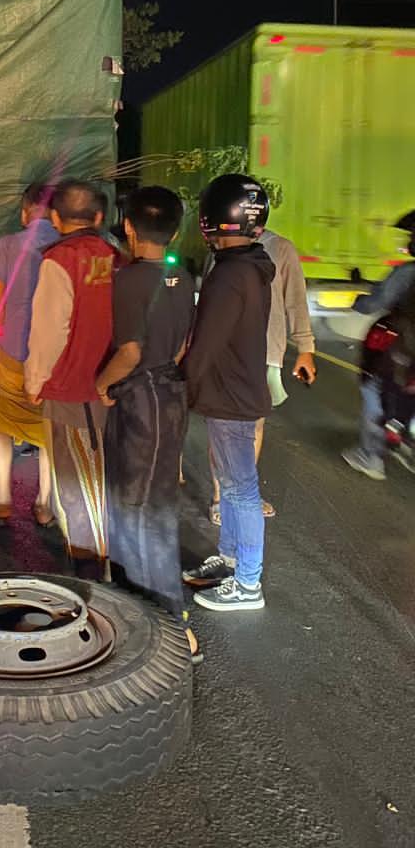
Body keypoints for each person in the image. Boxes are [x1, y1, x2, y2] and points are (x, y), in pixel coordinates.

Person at [95, 187, 200, 662]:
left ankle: (173, 626)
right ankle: (137, 612)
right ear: (175, 232)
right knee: (150, 504)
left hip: (141, 400)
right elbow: (181, 346)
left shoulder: (129, 279)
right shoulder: (182, 274)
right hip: (170, 395)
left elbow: (130, 351)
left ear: (129, 227)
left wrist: (102, 383)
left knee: (139, 509)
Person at [182, 174, 275, 613]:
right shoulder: (252, 266)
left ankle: (248, 583)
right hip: (238, 390)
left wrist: (182, 385)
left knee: (240, 490)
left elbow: (205, 344)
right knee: (235, 484)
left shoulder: (229, 274)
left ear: (212, 219)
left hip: (231, 396)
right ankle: (232, 558)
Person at [24, 180, 116, 562]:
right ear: (99, 217)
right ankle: (94, 558)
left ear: (56, 218)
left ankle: (92, 567)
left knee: (76, 485)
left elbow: (50, 329)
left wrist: (35, 380)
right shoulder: (116, 256)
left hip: (71, 388)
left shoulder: (59, 260)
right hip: (110, 385)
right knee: (96, 476)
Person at [206, 226, 317, 523]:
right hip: (225, 351)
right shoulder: (219, 244)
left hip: (267, 352)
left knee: (254, 426)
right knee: (222, 427)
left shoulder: (281, 247)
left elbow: (295, 299)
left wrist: (305, 347)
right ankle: (220, 498)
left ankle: (242, 494)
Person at [0, 182, 59, 525]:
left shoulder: (8, 244)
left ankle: (1, 498)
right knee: (50, 428)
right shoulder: (64, 245)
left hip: (12, 351)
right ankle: (44, 503)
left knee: (0, 421)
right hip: (53, 358)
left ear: (26, 212)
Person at [342, 209, 415, 480]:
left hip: (405, 352)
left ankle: (369, 456)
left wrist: (359, 301)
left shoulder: (407, 273)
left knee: (374, 391)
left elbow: (375, 302)